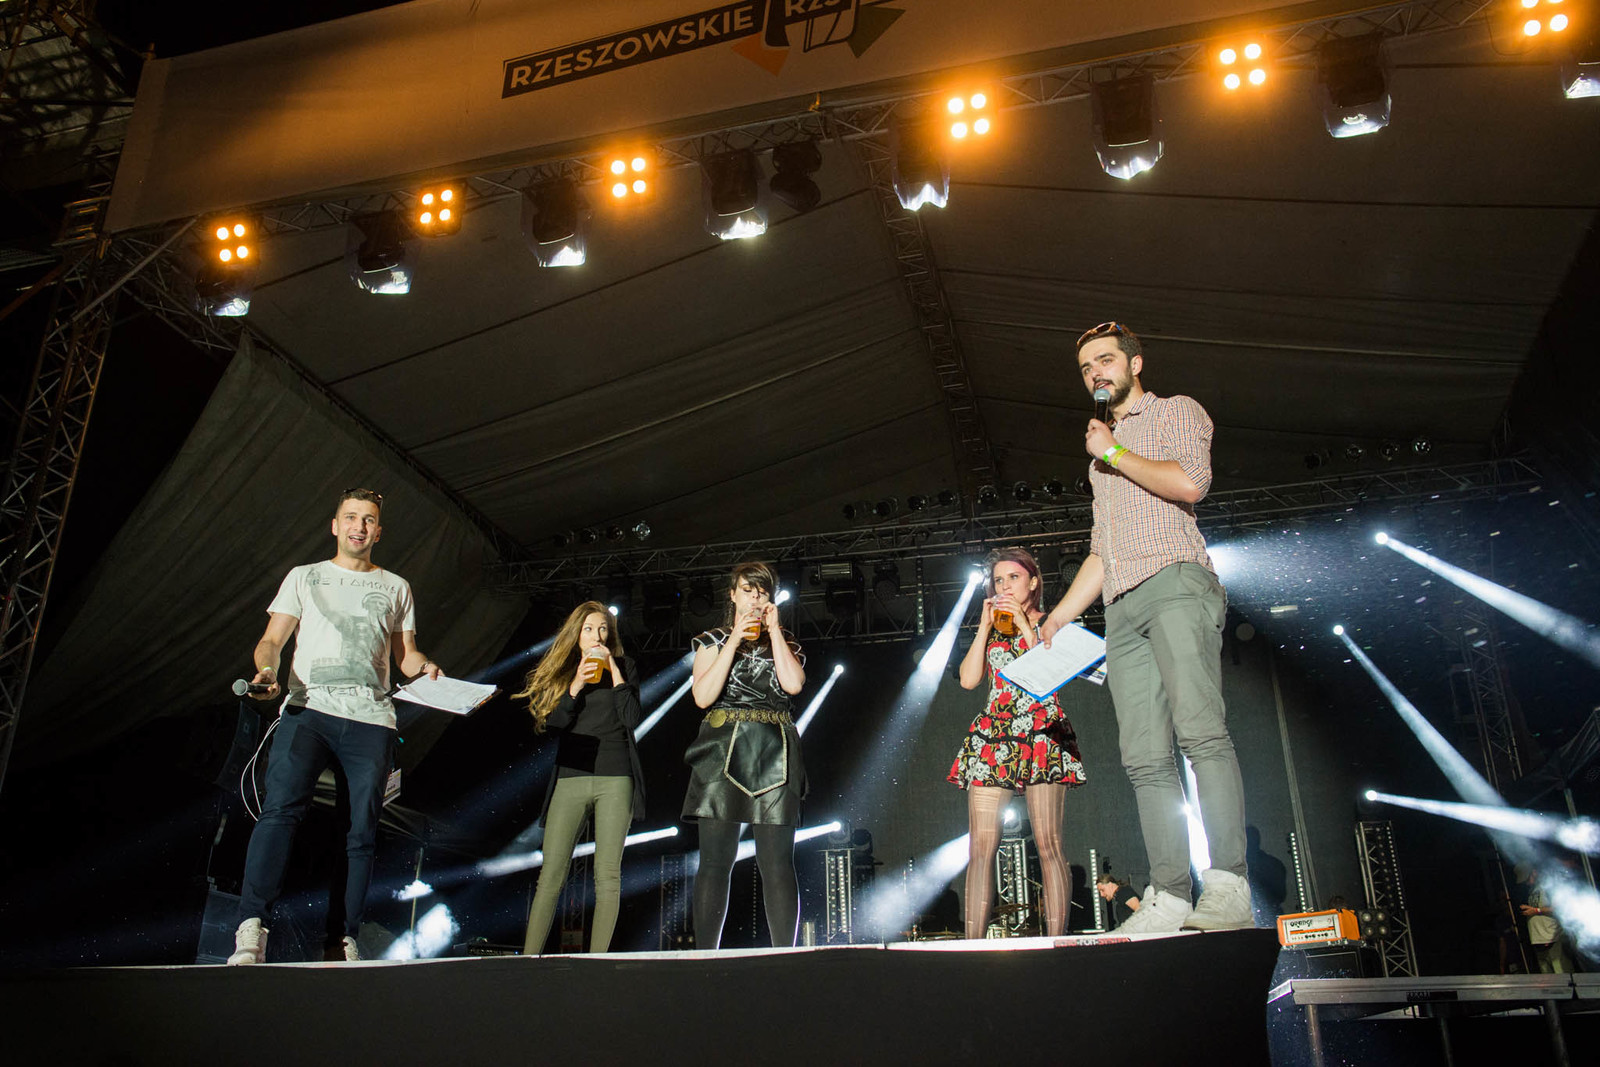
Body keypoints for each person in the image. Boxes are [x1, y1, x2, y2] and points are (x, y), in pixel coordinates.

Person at [1041, 322, 1252, 933]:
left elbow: (1190, 484)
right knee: (1143, 757)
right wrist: (1060, 614)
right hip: (1121, 605)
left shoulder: (1175, 411)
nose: (1096, 374)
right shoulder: (1100, 458)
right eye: (1087, 368)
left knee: (1201, 735)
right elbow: (1102, 550)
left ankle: (1229, 885)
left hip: (1176, 580)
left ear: (1135, 363)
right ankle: (1170, 895)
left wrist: (1111, 451)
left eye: (1106, 361)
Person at [229, 488, 442, 965]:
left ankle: (341, 940)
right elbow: (271, 640)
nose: (359, 526)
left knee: (360, 832)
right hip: (309, 710)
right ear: (335, 525)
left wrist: (425, 667)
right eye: (351, 517)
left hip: (370, 720)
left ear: (378, 532)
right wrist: (267, 670)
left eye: (368, 520)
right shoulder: (305, 577)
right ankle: (252, 927)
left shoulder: (396, 587)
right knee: (280, 812)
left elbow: (406, 656)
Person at [949, 547, 1086, 939]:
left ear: (1033, 582)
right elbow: (968, 680)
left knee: (1048, 843)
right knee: (981, 846)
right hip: (996, 731)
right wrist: (983, 627)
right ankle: (973, 946)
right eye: (998, 580)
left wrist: (1027, 626)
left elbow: (1050, 674)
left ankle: (1056, 942)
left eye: (1013, 578)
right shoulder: (993, 626)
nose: (1005, 586)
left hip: (1042, 730)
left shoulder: (1051, 622)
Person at [683, 561, 807, 948]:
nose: (755, 598)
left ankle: (784, 955)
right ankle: (705, 957)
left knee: (777, 863)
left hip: (774, 751)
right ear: (733, 595)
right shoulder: (711, 641)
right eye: (748, 590)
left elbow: (793, 685)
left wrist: (775, 631)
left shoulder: (786, 642)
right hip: (722, 751)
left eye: (762, 591)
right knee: (715, 861)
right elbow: (703, 696)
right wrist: (734, 640)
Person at [513, 601, 644, 954]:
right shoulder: (565, 670)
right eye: (589, 629)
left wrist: (614, 670)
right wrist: (576, 684)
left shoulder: (625, 667)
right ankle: (529, 958)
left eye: (603, 629)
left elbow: (631, 717)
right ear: (577, 634)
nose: (597, 635)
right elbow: (553, 723)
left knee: (608, 875)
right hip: (572, 775)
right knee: (551, 875)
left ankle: (596, 962)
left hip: (615, 775)